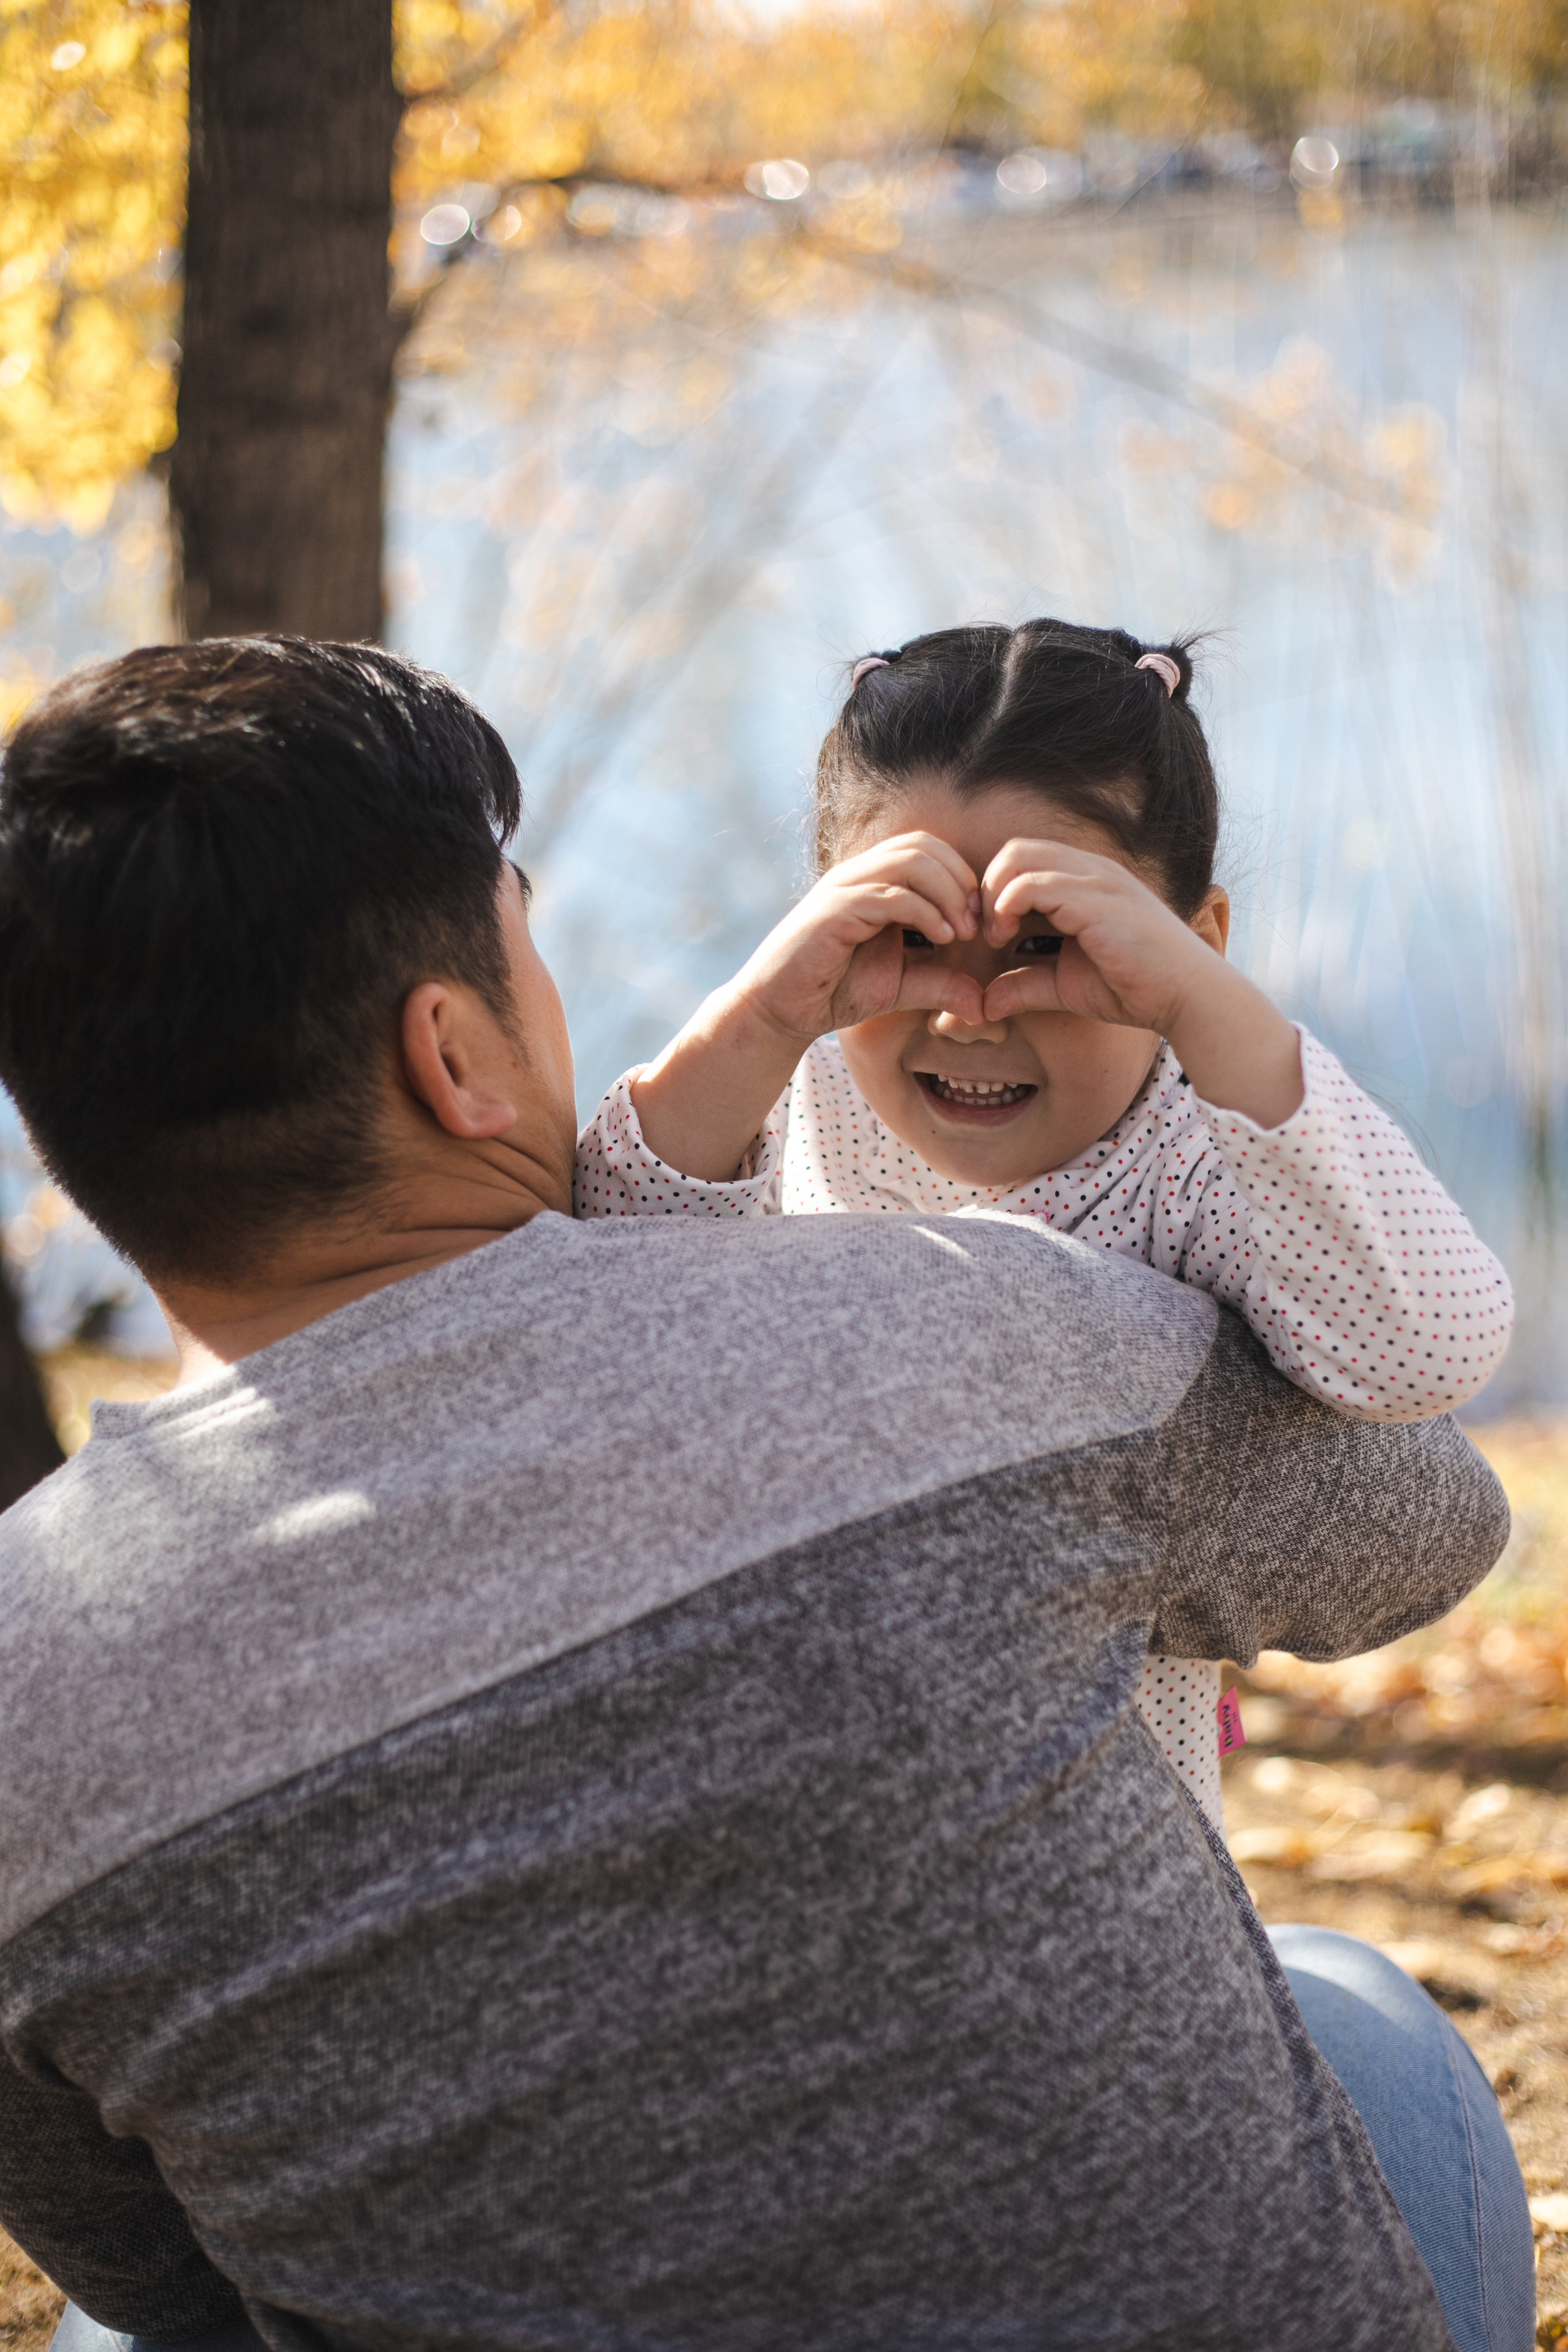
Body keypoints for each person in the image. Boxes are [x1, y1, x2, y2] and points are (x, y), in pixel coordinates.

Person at [0, 637, 1525, 2352]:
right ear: (454, 1057)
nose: (968, 1004)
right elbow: (1434, 1522)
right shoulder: (1014, 1323)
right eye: (527, 929)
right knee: (1350, 2001)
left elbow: (175, 2280)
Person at [576, 620, 1515, 1822]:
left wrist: (1202, 1007)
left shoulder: (1195, 1156)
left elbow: (1422, 1351)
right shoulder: (792, 1089)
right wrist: (762, 1011)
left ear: (1193, 942)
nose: (969, 1013)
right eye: (905, 939)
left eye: (1048, 946)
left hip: (1094, 1841)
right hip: (773, 1806)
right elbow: (596, 1287)